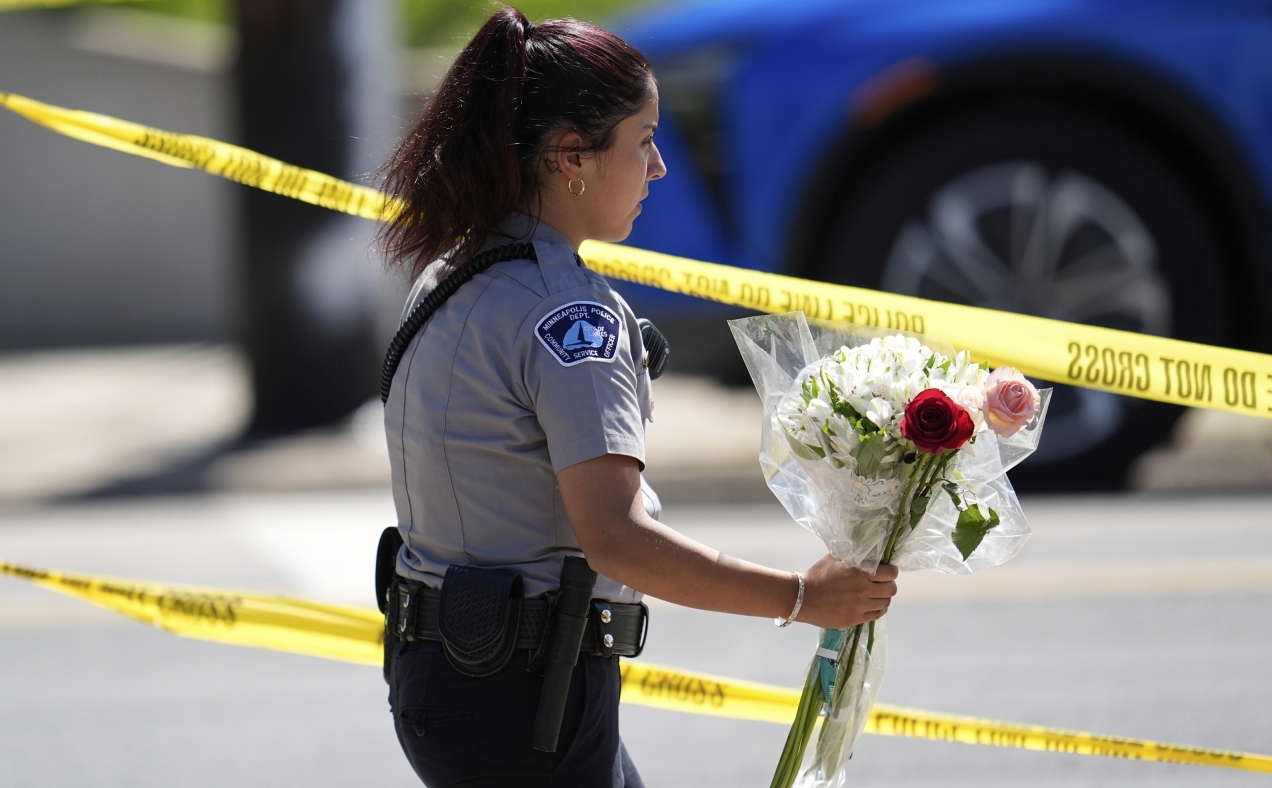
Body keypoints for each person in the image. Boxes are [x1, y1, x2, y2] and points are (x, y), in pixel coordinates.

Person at [377, 7, 898, 786]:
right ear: (571, 157)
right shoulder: (569, 315)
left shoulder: (452, 271)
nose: (658, 168)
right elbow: (618, 540)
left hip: (449, 678)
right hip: (527, 698)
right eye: (644, 139)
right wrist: (801, 597)